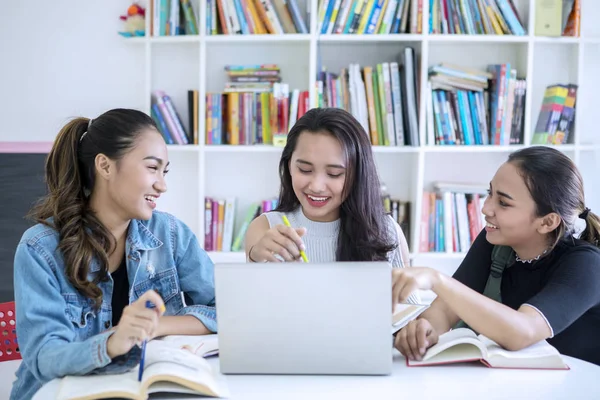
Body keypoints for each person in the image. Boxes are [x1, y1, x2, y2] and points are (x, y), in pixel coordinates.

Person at [10, 109, 216, 400]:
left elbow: (229, 310)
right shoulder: (40, 248)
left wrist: (157, 325)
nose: (162, 184)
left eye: (164, 171)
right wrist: (112, 342)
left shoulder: (170, 234)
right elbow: (45, 357)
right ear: (105, 166)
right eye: (152, 168)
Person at [392, 146, 600, 366]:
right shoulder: (495, 241)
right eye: (490, 193)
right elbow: (444, 310)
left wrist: (436, 279)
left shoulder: (587, 264)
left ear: (547, 222)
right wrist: (425, 328)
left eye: (503, 203)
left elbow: (522, 331)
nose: (486, 208)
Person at [244, 107, 419, 304]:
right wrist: (256, 258)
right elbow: (254, 308)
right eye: (305, 169)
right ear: (289, 165)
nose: (316, 186)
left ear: (357, 175)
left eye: (334, 173)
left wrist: (417, 327)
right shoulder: (266, 227)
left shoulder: (384, 230)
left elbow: (410, 315)